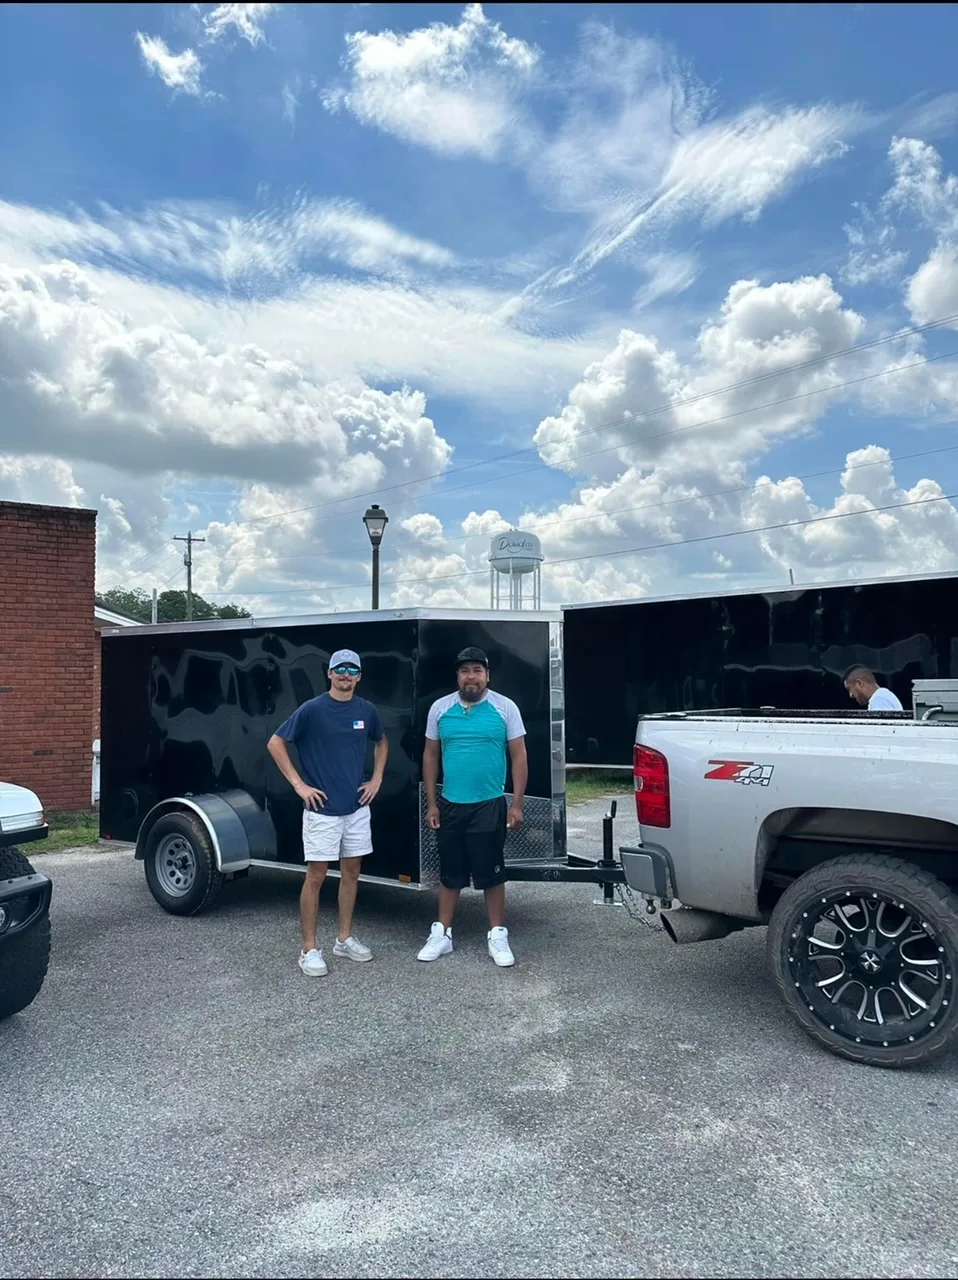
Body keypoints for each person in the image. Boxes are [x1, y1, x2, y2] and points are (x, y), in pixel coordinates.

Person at [267, 648, 388, 977]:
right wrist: (299, 785)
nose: (346, 675)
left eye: (352, 670)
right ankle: (308, 949)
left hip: (356, 809)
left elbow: (382, 742)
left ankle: (343, 939)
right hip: (322, 811)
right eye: (340, 669)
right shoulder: (313, 709)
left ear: (359, 677)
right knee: (316, 877)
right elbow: (276, 743)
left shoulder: (366, 710)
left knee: (352, 872)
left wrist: (377, 779)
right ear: (330, 673)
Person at [418, 646, 528, 968]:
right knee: (450, 873)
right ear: (457, 676)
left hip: (489, 804)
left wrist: (517, 804)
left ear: (487, 676)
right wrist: (431, 803)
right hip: (451, 804)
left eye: (477, 671)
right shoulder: (440, 709)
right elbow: (430, 756)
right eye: (465, 671)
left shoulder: (505, 708)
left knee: (491, 872)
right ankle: (442, 934)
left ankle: (497, 935)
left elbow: (519, 757)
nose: (471, 676)